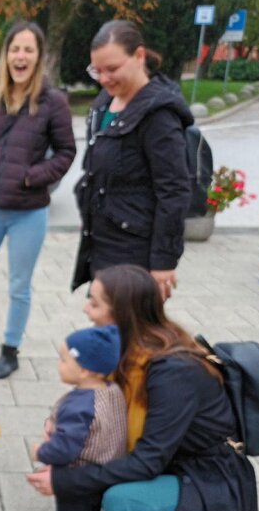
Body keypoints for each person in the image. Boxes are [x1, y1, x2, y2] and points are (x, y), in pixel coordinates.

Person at [27, 265, 258, 511]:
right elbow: (105, 421)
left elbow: (147, 462)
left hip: (209, 482)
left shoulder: (169, 371)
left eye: (94, 303)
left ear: (120, 312)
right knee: (101, 480)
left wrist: (64, 481)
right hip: (174, 462)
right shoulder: (132, 348)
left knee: (122, 505)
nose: (85, 310)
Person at [0, 21, 76, 379]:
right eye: (15, 49)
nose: (20, 56)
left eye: (28, 50)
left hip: (28, 212)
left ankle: (10, 350)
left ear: (38, 58)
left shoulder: (53, 103)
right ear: (6, 55)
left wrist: (32, 177)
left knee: (19, 286)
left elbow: (66, 152)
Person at [71, 20, 194, 301]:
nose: (103, 78)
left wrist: (163, 261)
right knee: (106, 329)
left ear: (139, 56)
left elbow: (174, 191)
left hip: (134, 252)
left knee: (130, 336)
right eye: (97, 71)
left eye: (112, 69)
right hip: (101, 243)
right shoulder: (104, 103)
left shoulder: (159, 115)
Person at [31, 326, 127, 511]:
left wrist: (41, 451)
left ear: (84, 370)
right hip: (106, 467)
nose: (59, 364)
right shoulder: (111, 390)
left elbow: (65, 448)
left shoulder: (79, 406)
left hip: (81, 472)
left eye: (64, 360)